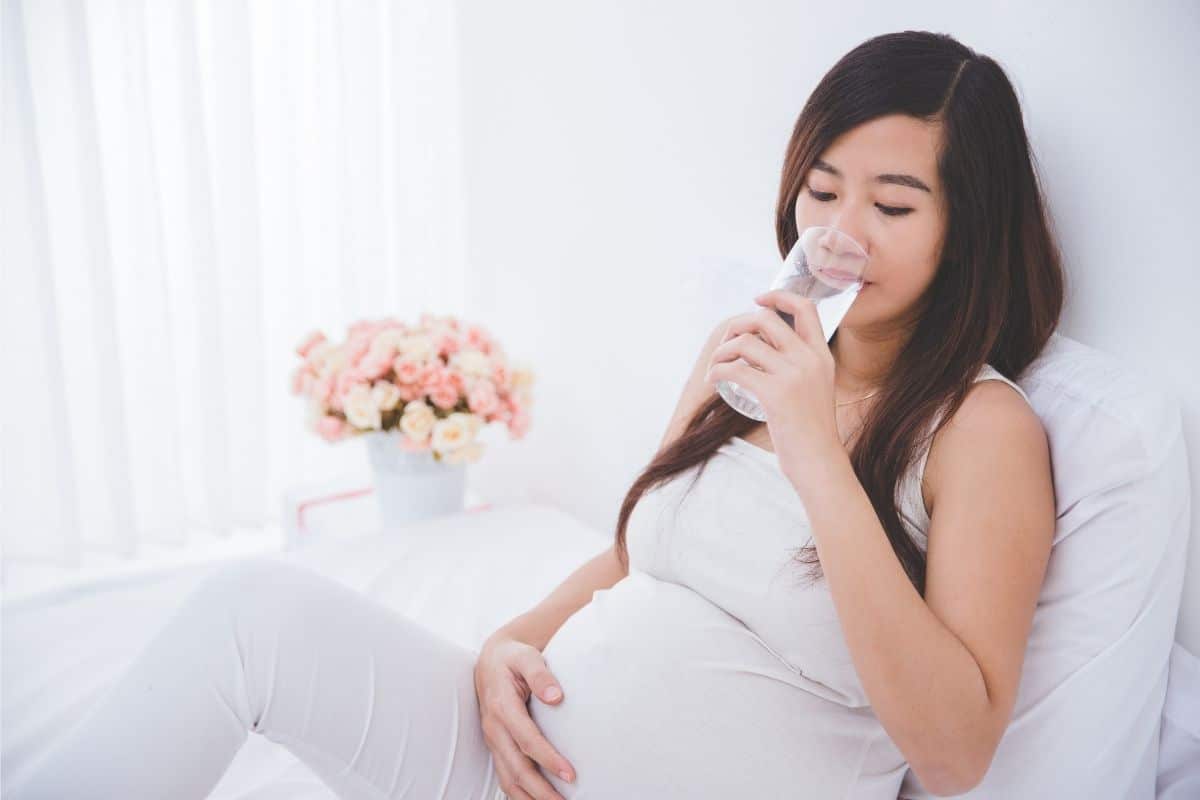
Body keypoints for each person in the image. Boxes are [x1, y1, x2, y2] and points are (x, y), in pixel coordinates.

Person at [9, 29, 1061, 800]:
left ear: (966, 227)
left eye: (891, 205)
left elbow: (955, 750)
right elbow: (632, 550)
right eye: (821, 190)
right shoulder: (750, 349)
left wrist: (818, 449)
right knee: (247, 609)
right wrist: (510, 641)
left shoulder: (980, 429)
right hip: (505, 768)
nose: (838, 232)